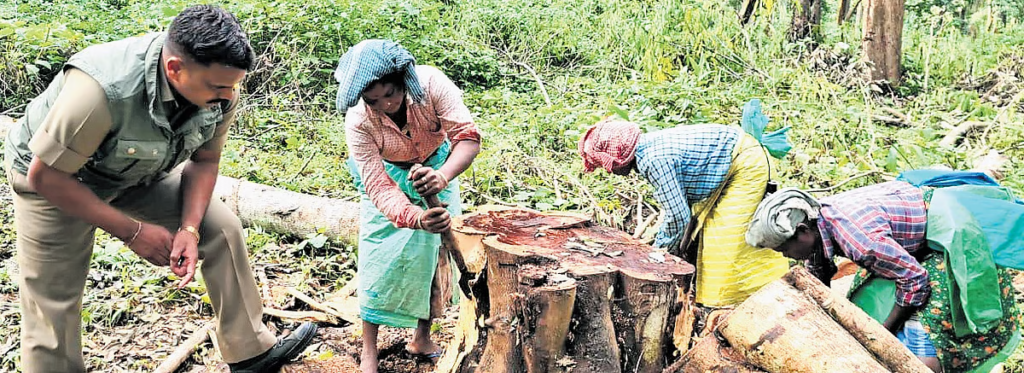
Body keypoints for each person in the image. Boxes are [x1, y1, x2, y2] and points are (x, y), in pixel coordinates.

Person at [2, 5, 316, 372]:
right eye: (218, 86)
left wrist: (189, 229)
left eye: (234, 85)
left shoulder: (222, 87)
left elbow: (205, 161)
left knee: (222, 231)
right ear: (175, 69)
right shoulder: (102, 91)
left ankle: (250, 352)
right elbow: (47, 176)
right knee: (53, 300)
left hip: (134, 171)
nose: (229, 95)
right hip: (54, 179)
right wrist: (132, 232)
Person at [746, 181, 1022, 372]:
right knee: (864, 299)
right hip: (906, 238)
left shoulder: (861, 241)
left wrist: (884, 331)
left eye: (784, 248)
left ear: (803, 231)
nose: (784, 256)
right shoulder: (820, 221)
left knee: (932, 333)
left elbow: (916, 281)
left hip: (939, 240)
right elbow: (818, 271)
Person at [334, 39, 482, 373]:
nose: (386, 105)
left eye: (391, 93)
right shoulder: (359, 120)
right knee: (379, 258)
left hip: (439, 166)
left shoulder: (432, 84)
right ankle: (368, 352)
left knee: (434, 257)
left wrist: (442, 177)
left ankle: (421, 338)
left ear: (403, 80)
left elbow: (468, 138)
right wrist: (415, 217)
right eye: (374, 100)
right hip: (388, 176)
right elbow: (376, 184)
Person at [577, 118, 789, 309]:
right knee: (707, 234)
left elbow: (678, 215)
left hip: (746, 165)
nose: (609, 171)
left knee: (726, 242)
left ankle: (737, 305)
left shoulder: (653, 160)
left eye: (606, 165)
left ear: (619, 157)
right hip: (735, 160)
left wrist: (658, 256)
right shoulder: (649, 148)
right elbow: (682, 210)